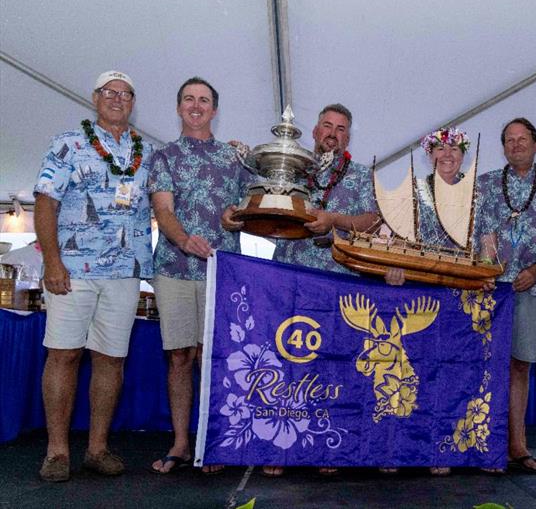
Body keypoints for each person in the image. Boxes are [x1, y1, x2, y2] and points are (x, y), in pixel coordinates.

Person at [33, 71, 154, 482]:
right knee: (64, 354)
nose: (117, 99)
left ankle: (97, 449)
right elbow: (45, 202)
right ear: (95, 97)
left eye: (125, 94)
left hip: (125, 272)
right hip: (72, 270)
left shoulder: (147, 152)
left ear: (133, 102)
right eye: (109, 92)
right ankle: (57, 452)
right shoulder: (68, 143)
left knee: (111, 360)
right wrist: (51, 261)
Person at [266, 103, 379, 477]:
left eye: (341, 128)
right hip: (290, 275)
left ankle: (326, 446)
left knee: (333, 365)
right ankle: (280, 447)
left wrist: (335, 220)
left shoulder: (363, 175)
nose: (332, 132)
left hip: (339, 281)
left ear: (348, 137)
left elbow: (373, 220)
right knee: (286, 360)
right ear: (314, 132)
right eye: (326, 125)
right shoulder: (291, 164)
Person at [146, 77, 251, 475]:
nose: (196, 105)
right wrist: (184, 240)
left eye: (204, 100)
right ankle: (180, 442)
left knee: (214, 358)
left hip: (222, 268)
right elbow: (163, 210)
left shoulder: (235, 159)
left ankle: (213, 440)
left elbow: (249, 209)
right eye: (189, 99)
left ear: (214, 110)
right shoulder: (164, 156)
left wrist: (235, 217)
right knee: (179, 357)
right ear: (178, 108)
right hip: (173, 268)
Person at [475, 118, 536, 474]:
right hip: (487, 291)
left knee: (520, 366)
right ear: (503, 147)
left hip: (533, 288)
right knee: (485, 366)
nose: (516, 145)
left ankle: (517, 445)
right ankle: (481, 444)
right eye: (509, 140)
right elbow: (478, 235)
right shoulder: (484, 184)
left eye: (523, 139)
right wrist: (487, 271)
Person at [383, 126, 478, 476]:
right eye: (440, 150)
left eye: (454, 149)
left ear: (463, 155)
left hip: (457, 299)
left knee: (448, 374)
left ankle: (440, 447)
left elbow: (488, 242)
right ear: (429, 155)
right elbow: (390, 236)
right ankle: (395, 447)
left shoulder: (477, 194)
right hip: (414, 296)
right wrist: (392, 266)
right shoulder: (411, 191)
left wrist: (488, 268)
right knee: (405, 371)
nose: (448, 155)